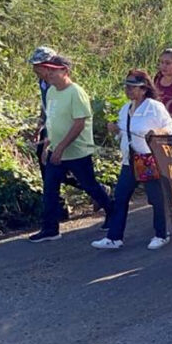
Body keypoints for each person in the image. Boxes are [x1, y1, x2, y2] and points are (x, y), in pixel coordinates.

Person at [29, 55, 113, 242]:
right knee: (50, 189)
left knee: (89, 185)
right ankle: (50, 229)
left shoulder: (76, 93)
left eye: (53, 70)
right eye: (47, 69)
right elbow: (52, 121)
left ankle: (112, 211)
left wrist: (61, 148)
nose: (49, 73)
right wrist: (47, 145)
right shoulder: (51, 91)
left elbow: (79, 124)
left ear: (65, 71)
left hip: (77, 152)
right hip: (55, 149)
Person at [92, 70, 172, 250]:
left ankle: (162, 234)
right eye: (127, 87)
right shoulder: (125, 109)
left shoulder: (154, 107)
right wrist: (116, 130)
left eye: (133, 87)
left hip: (148, 159)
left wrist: (158, 132)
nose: (128, 90)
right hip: (129, 160)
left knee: (156, 198)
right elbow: (124, 133)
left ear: (144, 89)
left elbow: (171, 127)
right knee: (121, 197)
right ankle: (114, 237)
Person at [28, 47, 74, 222]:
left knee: (58, 164)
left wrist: (50, 139)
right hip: (49, 126)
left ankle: (96, 189)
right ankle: (58, 208)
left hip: (61, 128)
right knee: (46, 165)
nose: (34, 69)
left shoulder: (59, 84)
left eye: (38, 65)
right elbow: (45, 106)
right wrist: (39, 126)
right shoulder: (43, 82)